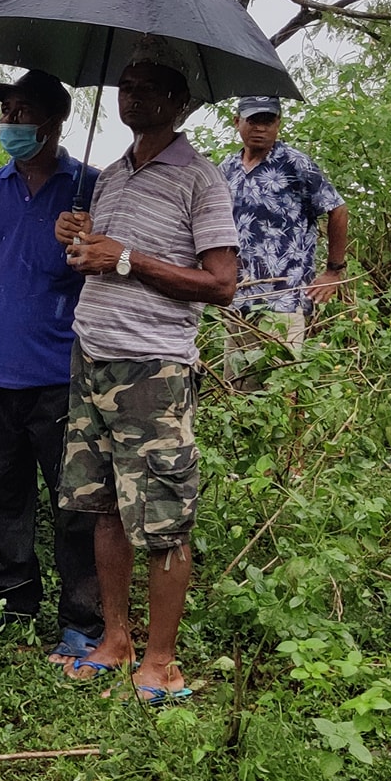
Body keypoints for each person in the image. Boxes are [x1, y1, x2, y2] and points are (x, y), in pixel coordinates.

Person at [53, 40, 239, 704]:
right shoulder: (110, 174)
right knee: (102, 507)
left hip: (153, 368)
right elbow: (96, 260)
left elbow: (221, 283)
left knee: (162, 515)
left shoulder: (201, 178)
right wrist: (77, 239)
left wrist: (126, 258)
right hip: (92, 356)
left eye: (147, 86)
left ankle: (160, 661)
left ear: (179, 102)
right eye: (126, 85)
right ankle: (115, 639)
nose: (131, 96)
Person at [0, 70, 102, 650]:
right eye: (6, 113)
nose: (10, 123)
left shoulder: (93, 190)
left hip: (62, 376)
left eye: (22, 112)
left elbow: (117, 271)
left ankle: (82, 620)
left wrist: (89, 240)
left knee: (76, 503)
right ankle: (14, 605)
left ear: (54, 122)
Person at [220, 95, 349, 367]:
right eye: (253, 120)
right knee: (237, 392)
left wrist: (333, 271)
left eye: (268, 121)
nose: (260, 128)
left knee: (279, 388)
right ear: (237, 122)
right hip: (237, 297)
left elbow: (337, 208)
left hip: (284, 299)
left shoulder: (294, 164)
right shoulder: (227, 169)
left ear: (278, 124)